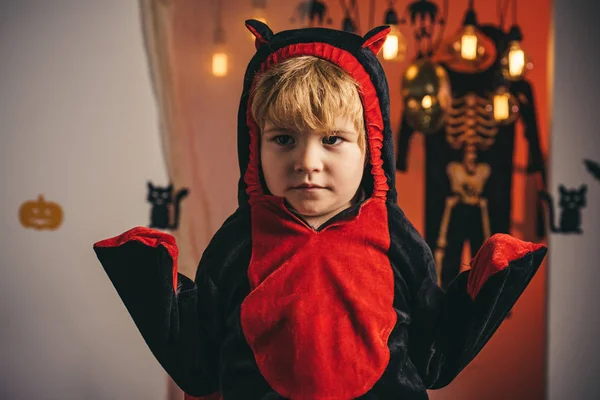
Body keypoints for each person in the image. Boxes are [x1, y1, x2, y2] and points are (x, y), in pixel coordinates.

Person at [93, 20, 547, 400]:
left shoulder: (394, 237)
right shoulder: (241, 241)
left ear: (370, 146)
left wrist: (486, 288)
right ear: (256, 145)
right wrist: (153, 286)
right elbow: (199, 363)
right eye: (284, 139)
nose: (307, 162)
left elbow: (433, 357)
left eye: (332, 139)